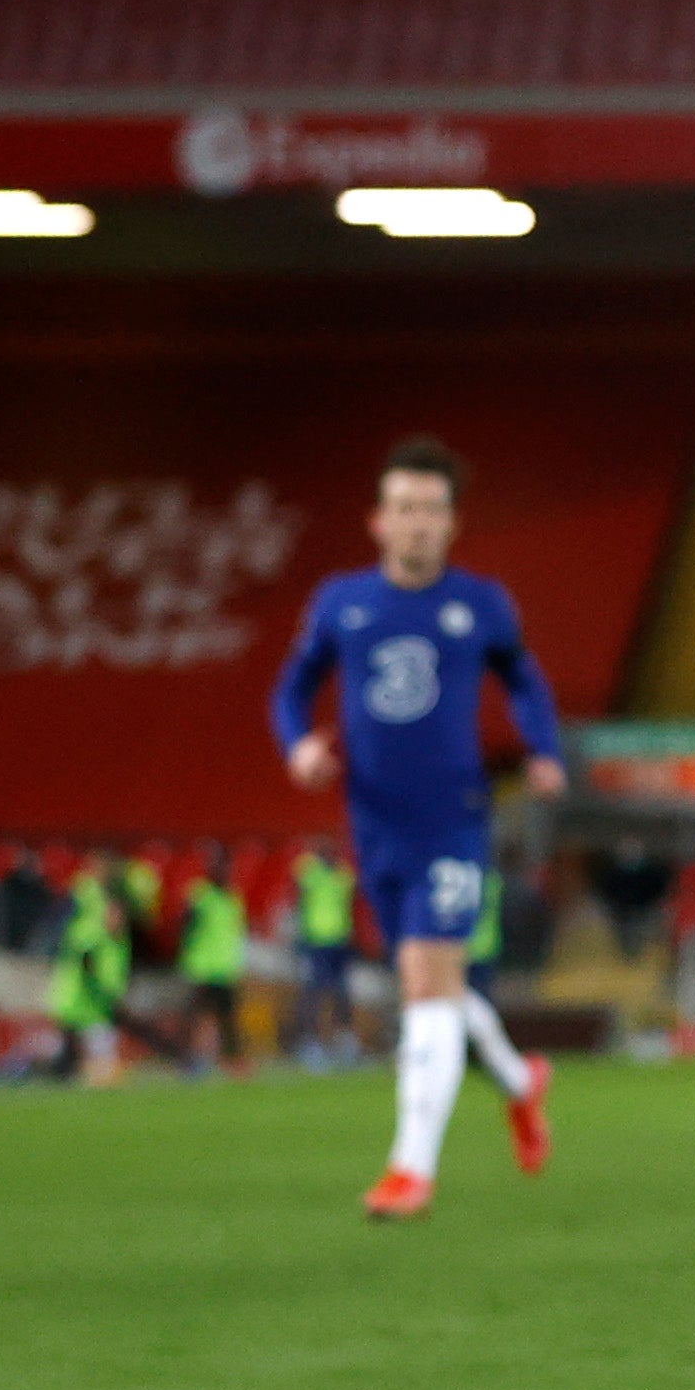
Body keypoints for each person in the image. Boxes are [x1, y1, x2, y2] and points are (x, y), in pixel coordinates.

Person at [269, 437, 564, 1215]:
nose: (418, 523)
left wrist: (544, 749)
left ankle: (410, 1169)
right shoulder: (341, 602)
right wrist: (297, 746)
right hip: (373, 824)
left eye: (432, 509)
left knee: (428, 984)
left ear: (452, 523)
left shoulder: (482, 604)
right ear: (378, 520)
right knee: (431, 982)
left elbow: (525, 681)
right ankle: (521, 1080)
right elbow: (290, 690)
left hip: (454, 820)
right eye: (404, 507)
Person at [47, 864, 126, 1086]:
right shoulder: (89, 933)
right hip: (82, 997)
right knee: (90, 1037)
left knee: (78, 1042)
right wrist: (96, 986)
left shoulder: (112, 938)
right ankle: (97, 1072)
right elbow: (86, 964)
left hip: (92, 998)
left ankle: (89, 1073)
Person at [289, 841, 357, 1068]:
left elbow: (349, 904)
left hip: (339, 940)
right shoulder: (309, 871)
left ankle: (343, 1042)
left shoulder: (343, 874)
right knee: (314, 992)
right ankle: (310, 1044)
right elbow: (297, 899)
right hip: (314, 940)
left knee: (341, 993)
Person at [178, 858, 248, 1074]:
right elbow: (185, 924)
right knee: (200, 1017)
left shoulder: (232, 897)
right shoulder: (200, 896)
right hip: (202, 967)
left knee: (228, 1019)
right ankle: (195, 1061)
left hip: (225, 968)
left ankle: (231, 1061)